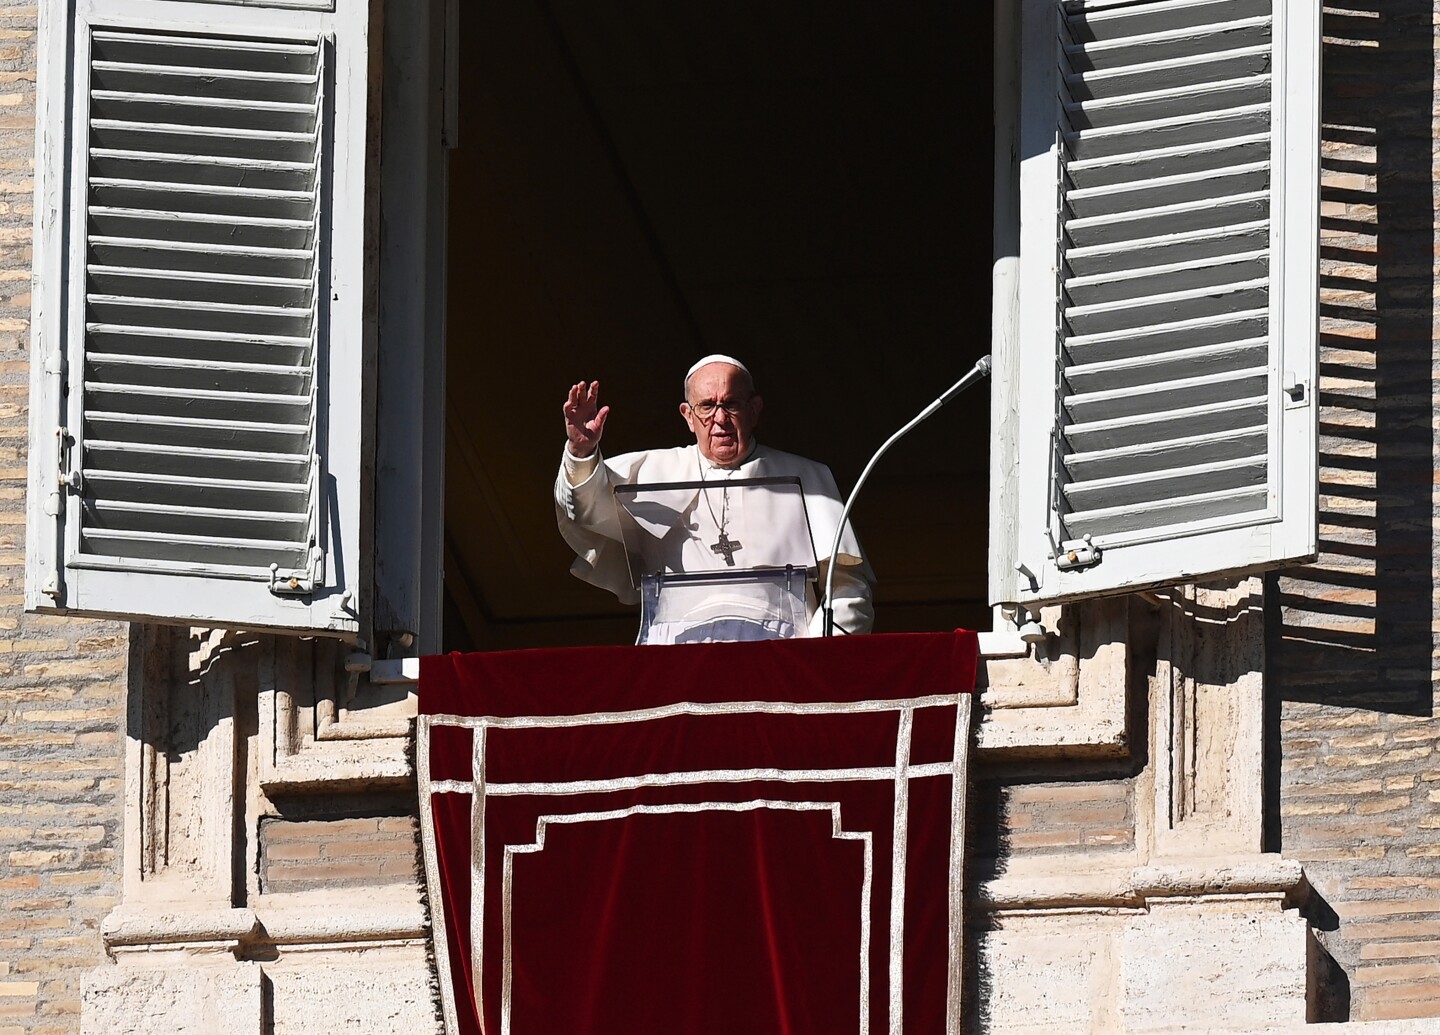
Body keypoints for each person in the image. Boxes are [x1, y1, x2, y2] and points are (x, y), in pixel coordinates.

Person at [555, 355, 875, 640]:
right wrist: (581, 453)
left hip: (781, 656)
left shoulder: (807, 477)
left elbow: (847, 587)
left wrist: (812, 654)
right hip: (677, 658)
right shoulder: (651, 470)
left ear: (754, 410)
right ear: (688, 416)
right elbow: (584, 507)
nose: (719, 419)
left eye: (731, 404)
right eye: (707, 406)